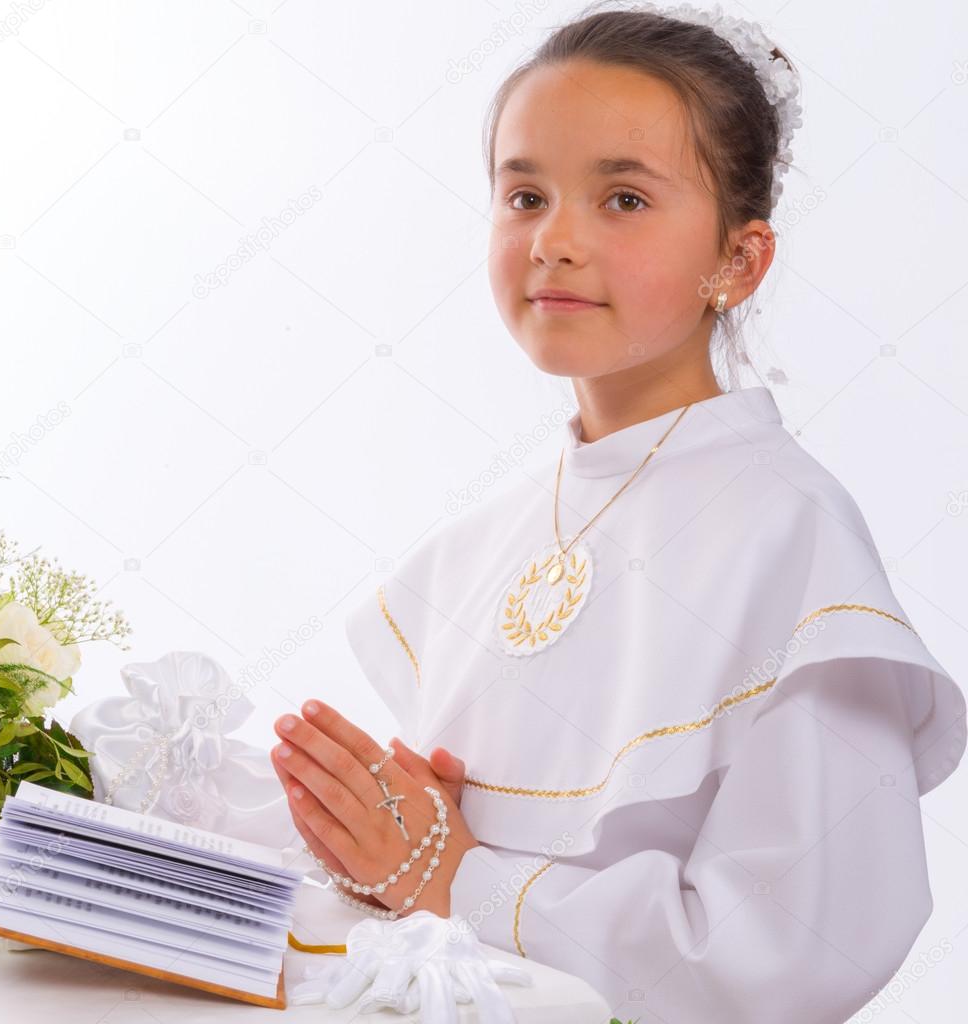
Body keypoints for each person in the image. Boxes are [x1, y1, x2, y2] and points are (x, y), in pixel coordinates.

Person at [271, 3, 967, 1019]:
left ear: (738, 261)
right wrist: (362, 831)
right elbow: (428, 879)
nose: (553, 241)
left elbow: (794, 946)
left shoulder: (793, 537)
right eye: (524, 194)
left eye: (624, 199)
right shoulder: (486, 538)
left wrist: (457, 876)